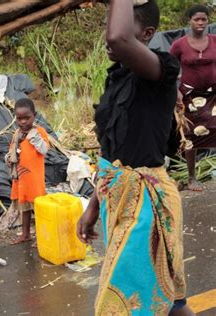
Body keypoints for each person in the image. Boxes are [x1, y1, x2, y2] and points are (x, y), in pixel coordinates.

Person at [76, 1, 192, 315]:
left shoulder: (163, 71)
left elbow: (118, 39)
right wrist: (93, 204)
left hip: (147, 206)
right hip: (117, 201)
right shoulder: (117, 79)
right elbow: (112, 154)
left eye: (124, 25)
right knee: (169, 301)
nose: (107, 35)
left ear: (147, 34)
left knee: (120, 304)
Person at [170, 4, 216, 191]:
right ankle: (191, 179)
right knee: (191, 136)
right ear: (189, 20)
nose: (200, 23)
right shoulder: (179, 45)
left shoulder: (214, 40)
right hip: (189, 96)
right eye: (196, 19)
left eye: (204, 19)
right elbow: (169, 69)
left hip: (213, 94)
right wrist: (176, 91)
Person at [6, 98, 49, 244]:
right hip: (20, 178)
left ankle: (44, 235)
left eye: (27, 118)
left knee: (38, 208)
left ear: (34, 116)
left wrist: (35, 139)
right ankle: (25, 234)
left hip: (34, 178)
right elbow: (12, 150)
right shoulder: (17, 134)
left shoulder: (39, 132)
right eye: (19, 118)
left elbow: (44, 150)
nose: (23, 122)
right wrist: (8, 158)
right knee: (24, 208)